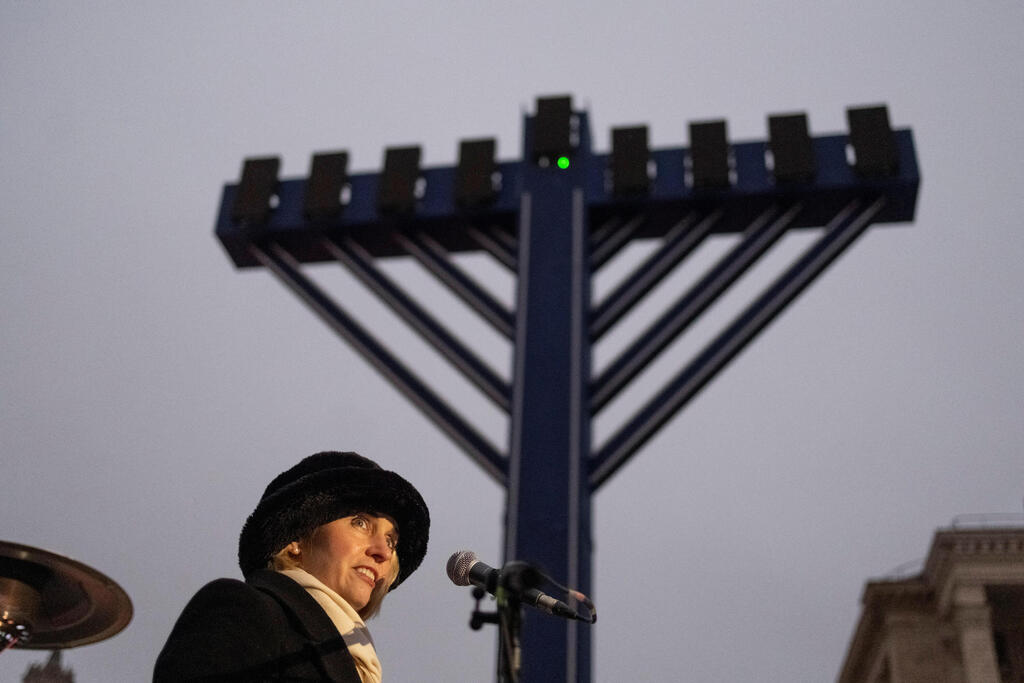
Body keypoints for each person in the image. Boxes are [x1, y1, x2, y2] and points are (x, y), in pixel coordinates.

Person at [154, 451, 430, 682]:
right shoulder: (246, 609)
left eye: (391, 541)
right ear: (296, 539)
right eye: (360, 523)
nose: (382, 551)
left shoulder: (358, 660)